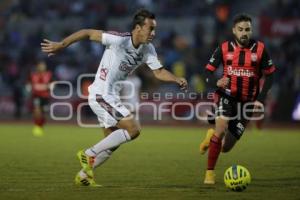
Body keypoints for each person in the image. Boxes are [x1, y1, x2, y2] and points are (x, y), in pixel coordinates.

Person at [41, 9, 187, 186]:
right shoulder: (119, 40)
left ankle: (84, 175)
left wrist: (176, 79)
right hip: (100, 94)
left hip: (111, 96)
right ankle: (88, 154)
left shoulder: (148, 49)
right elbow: (87, 33)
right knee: (134, 129)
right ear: (138, 28)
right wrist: (61, 45)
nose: (153, 33)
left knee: (111, 143)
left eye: (154, 29)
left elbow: (159, 72)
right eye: (150, 28)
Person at [199, 14, 276, 184]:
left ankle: (210, 136)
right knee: (221, 129)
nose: (244, 33)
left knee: (226, 148)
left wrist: (260, 100)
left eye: (247, 29)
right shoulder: (224, 48)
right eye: (240, 29)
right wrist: (216, 82)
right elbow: (206, 72)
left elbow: (270, 76)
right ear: (234, 30)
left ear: (251, 30)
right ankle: (209, 174)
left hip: (247, 103)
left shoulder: (261, 49)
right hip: (227, 96)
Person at [27, 61, 52, 137]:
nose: (42, 67)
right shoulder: (32, 75)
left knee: (43, 112)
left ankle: (40, 125)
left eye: (43, 66)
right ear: (37, 67)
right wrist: (29, 89)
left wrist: (50, 87)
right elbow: (28, 84)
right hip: (36, 95)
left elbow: (52, 83)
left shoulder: (49, 74)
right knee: (37, 110)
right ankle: (37, 126)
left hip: (45, 96)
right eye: (41, 66)